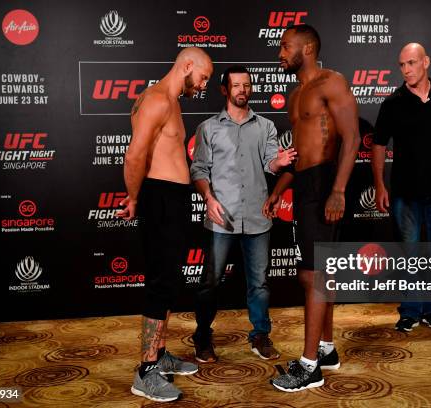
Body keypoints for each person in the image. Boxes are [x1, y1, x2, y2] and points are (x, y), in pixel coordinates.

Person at [263, 24, 361, 392]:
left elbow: (351, 137)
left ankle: (309, 367)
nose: (280, 53)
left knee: (313, 276)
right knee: (319, 274)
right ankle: (326, 349)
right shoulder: (295, 94)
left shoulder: (330, 82)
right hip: (304, 184)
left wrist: (338, 189)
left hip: (324, 184)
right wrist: (278, 190)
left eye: (285, 47)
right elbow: (300, 155)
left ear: (306, 48)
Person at [116, 47, 213, 402]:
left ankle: (159, 354)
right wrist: (132, 197)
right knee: (161, 283)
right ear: (187, 65)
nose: (202, 85)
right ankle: (146, 371)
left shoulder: (169, 101)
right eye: (202, 77)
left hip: (171, 198)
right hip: (159, 198)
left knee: (169, 280)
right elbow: (134, 154)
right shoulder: (157, 100)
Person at [190, 65, 296, 363]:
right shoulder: (207, 128)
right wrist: (207, 197)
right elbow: (198, 170)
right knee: (210, 281)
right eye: (236, 85)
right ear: (225, 90)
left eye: (247, 85)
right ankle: (202, 337)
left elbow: (270, 166)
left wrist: (279, 161)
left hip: (257, 218)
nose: (242, 90)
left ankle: (260, 335)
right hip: (221, 219)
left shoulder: (265, 127)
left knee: (259, 282)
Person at [371, 42, 431, 332]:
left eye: (411, 63)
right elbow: (378, 146)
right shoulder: (393, 102)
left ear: (425, 62)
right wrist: (379, 184)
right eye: (401, 65)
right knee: (410, 253)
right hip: (405, 192)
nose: (406, 70)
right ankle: (410, 310)